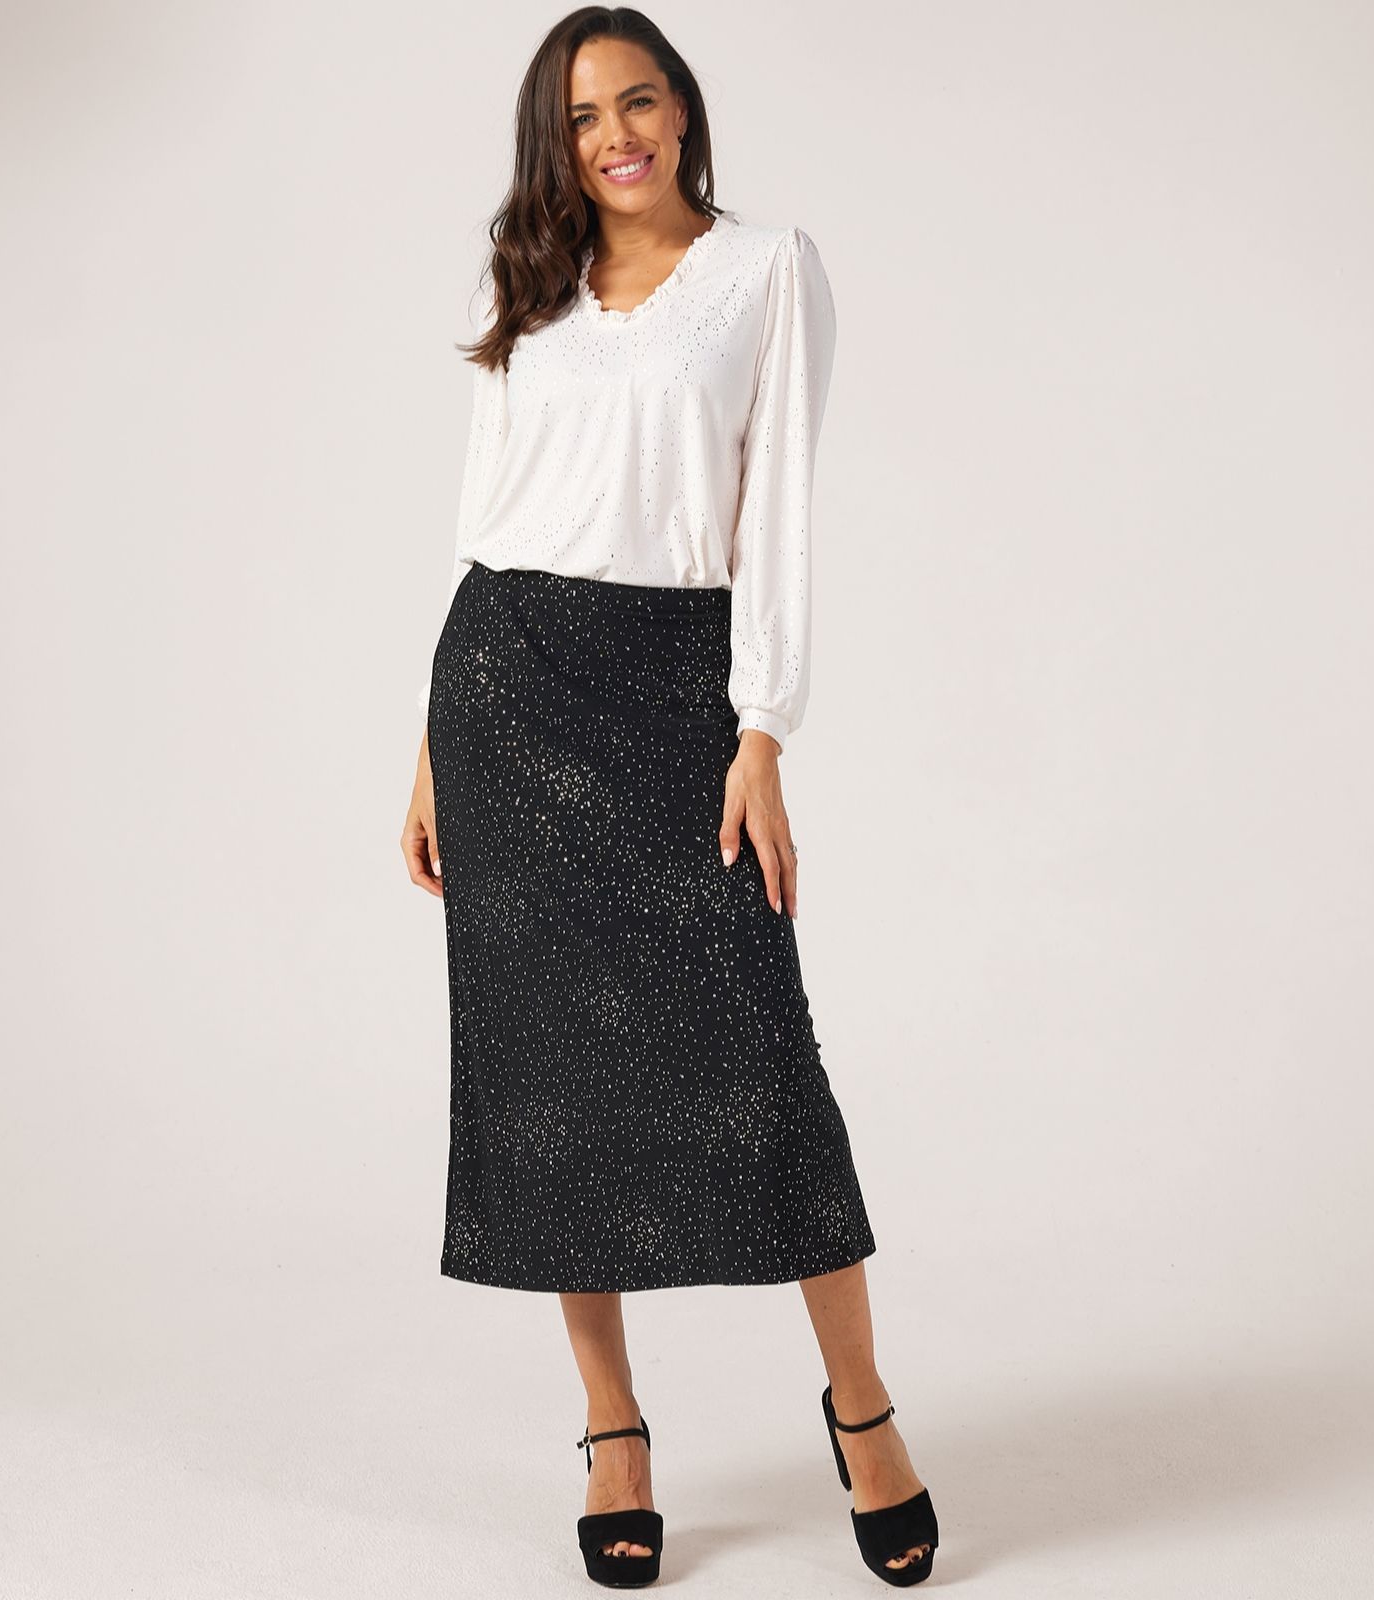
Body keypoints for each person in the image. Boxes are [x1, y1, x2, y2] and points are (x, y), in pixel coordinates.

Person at [401, 9, 938, 1589]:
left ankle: (862, 1408)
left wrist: (762, 731)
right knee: (550, 1077)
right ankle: (613, 1429)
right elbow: (482, 517)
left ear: (684, 110)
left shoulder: (766, 274)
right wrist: (429, 742)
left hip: (676, 692)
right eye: (581, 117)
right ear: (553, 144)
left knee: (763, 1057)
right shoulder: (526, 284)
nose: (615, 136)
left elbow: (780, 511)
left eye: (638, 101)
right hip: (504, 690)